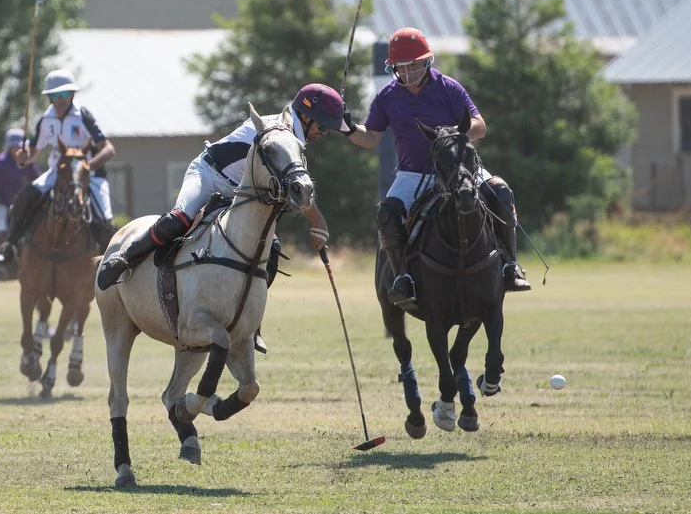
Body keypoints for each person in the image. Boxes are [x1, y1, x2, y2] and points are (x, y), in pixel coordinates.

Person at [95, 83, 345, 353]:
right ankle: (125, 259)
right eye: (323, 127)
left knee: (269, 248)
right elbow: (292, 186)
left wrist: (348, 122)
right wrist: (318, 221)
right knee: (180, 218)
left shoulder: (296, 134)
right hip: (209, 174)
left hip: (238, 192)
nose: (324, 133)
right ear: (306, 117)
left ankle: (252, 325)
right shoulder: (279, 131)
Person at [346, 27, 531, 310]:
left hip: (458, 169)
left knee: (501, 192)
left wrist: (451, 137)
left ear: (426, 61)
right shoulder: (388, 96)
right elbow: (370, 137)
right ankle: (403, 278)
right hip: (412, 174)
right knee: (386, 214)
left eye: (413, 66)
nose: (407, 74)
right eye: (401, 68)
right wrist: (347, 127)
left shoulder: (449, 89)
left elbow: (480, 126)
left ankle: (510, 267)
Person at [0, 69, 117, 281]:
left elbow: (108, 149)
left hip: (89, 175)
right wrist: (23, 157)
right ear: (48, 97)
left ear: (72, 95)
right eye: (55, 95)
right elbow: (31, 153)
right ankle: (9, 246)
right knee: (23, 198)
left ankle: (112, 261)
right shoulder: (45, 120)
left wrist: (87, 166)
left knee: (104, 218)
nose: (60, 100)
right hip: (59, 172)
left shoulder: (83, 116)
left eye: (64, 95)